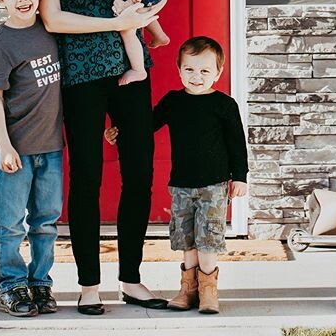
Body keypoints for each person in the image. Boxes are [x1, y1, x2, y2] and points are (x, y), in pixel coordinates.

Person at [23, 0, 169, 315]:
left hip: (130, 68)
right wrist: (115, 22)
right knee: (85, 178)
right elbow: (55, 17)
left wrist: (150, 13)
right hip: (79, 71)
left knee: (139, 173)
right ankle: (88, 284)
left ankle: (131, 278)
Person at [105, 36, 249, 314]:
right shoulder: (174, 101)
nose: (197, 77)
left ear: (218, 73)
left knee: (208, 238)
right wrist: (120, 130)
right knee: (187, 239)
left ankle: (208, 291)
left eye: (205, 71)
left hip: (214, 186)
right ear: (179, 69)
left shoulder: (224, 105)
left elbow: (236, 143)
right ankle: (188, 289)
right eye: (190, 70)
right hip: (182, 185)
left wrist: (239, 176)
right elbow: (147, 125)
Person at [0, 0, 64, 318]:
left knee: (46, 222)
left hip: (51, 149)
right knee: (11, 225)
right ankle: (12, 286)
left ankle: (40, 283)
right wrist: (4, 146)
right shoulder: (2, 43)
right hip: (16, 151)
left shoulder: (50, 29)